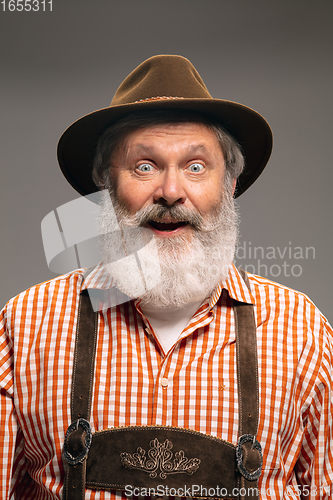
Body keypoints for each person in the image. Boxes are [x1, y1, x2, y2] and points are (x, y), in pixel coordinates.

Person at [0, 55, 332, 500]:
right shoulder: (25, 326)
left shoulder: (303, 334)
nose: (171, 191)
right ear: (106, 183)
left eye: (196, 166)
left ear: (229, 182)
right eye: (145, 166)